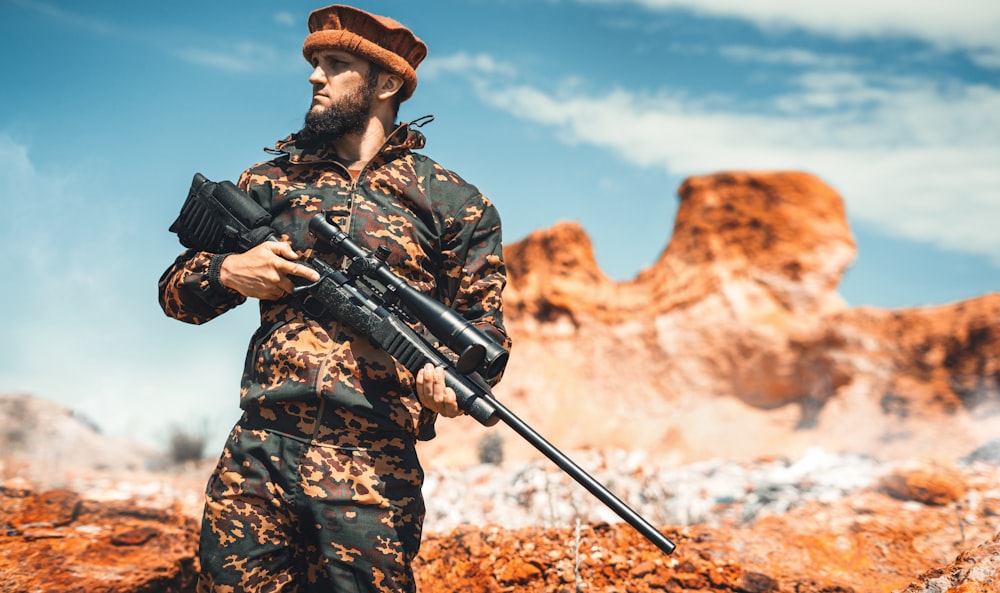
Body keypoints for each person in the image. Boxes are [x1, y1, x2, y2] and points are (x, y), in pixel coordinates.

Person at [157, 5, 510, 592]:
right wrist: (229, 272)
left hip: (373, 470)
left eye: (336, 64)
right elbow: (175, 294)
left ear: (387, 83)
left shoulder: (455, 204)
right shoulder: (269, 182)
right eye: (315, 64)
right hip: (258, 455)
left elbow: (484, 333)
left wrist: (448, 394)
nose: (315, 77)